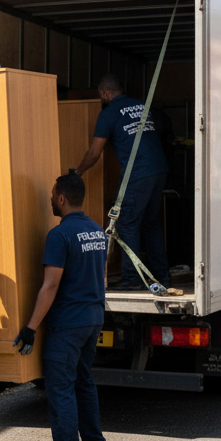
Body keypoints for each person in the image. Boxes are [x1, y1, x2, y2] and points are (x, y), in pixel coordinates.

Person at [14, 172, 111, 441]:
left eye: (52, 195)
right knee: (83, 382)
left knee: (61, 390)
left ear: (61, 198)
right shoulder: (97, 231)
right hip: (93, 318)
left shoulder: (60, 235)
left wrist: (30, 326)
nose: (50, 200)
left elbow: (50, 285)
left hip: (68, 324)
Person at [74, 74, 169, 290]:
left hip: (139, 172)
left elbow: (94, 152)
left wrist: (77, 172)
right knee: (150, 223)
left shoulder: (107, 115)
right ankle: (162, 276)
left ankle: (132, 280)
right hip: (159, 169)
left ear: (105, 93)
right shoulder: (141, 105)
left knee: (127, 223)